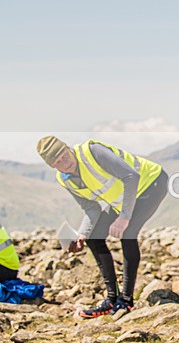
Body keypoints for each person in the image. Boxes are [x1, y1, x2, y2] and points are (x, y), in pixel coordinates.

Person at [36, 136, 168, 318]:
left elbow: (131, 176)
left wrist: (124, 217)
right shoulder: (65, 179)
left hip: (152, 183)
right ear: (52, 166)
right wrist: (82, 234)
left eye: (64, 156)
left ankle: (126, 300)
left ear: (68, 148)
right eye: (58, 162)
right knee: (93, 237)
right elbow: (91, 208)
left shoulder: (92, 152)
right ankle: (112, 299)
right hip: (124, 200)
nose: (65, 163)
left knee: (128, 233)